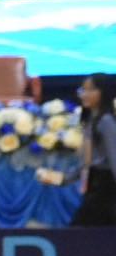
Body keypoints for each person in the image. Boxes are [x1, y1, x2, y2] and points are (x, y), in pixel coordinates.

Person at [46, 73, 116, 226]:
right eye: (83, 90)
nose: (85, 94)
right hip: (95, 185)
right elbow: (87, 163)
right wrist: (64, 179)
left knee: (81, 230)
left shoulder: (106, 121)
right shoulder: (90, 121)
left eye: (91, 90)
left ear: (104, 92)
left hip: (106, 188)